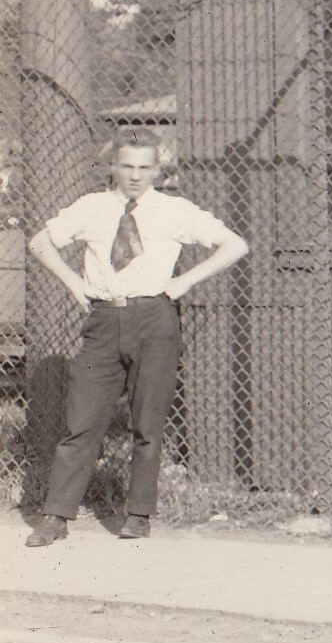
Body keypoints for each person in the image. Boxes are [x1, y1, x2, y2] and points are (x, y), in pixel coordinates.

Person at [23, 137, 248, 546]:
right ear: (113, 166)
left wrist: (183, 282)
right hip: (104, 321)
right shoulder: (92, 207)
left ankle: (139, 514)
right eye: (127, 167)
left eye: (145, 168)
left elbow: (235, 244)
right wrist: (74, 282)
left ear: (158, 171)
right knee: (81, 420)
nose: (135, 176)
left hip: (155, 320)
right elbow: (39, 242)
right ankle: (56, 515)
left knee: (147, 421)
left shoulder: (174, 210)